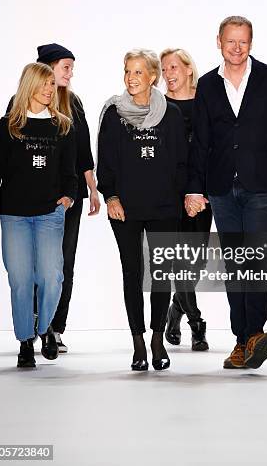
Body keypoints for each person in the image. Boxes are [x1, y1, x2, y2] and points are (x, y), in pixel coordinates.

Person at [186, 15, 267, 370]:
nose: (237, 48)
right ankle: (243, 339)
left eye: (243, 42)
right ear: (218, 40)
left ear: (252, 42)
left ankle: (253, 333)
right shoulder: (206, 84)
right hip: (221, 189)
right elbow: (200, 142)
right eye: (231, 41)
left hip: (263, 187)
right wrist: (195, 189)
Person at [97, 49, 187, 371]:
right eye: (127, 72)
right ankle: (138, 343)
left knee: (161, 274)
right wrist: (111, 197)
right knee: (132, 272)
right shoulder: (114, 114)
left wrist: (181, 197)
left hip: (164, 207)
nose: (131, 79)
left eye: (138, 73)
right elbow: (104, 161)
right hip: (126, 208)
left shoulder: (172, 115)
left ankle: (157, 339)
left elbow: (181, 163)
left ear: (152, 77)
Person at [7, 44, 101, 352]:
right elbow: (11, 153)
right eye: (65, 67)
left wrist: (92, 187)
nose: (70, 73)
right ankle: (32, 324)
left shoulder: (73, 103)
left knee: (63, 264)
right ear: (46, 69)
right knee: (31, 266)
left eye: (71, 68)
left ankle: (54, 328)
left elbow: (84, 148)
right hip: (28, 200)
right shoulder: (18, 104)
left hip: (67, 196)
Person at [0, 63, 77, 368]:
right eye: (45, 84)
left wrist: (68, 196)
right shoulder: (8, 125)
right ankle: (26, 340)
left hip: (50, 213)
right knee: (21, 280)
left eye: (53, 84)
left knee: (52, 277)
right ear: (29, 85)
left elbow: (69, 171)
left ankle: (46, 326)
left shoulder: (62, 126)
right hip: (15, 216)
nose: (51, 89)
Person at [161, 48, 213, 351]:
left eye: (173, 67)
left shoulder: (205, 100)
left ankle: (175, 311)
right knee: (178, 263)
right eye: (164, 69)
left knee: (195, 263)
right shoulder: (159, 105)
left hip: (202, 194)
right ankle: (196, 322)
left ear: (188, 69)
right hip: (168, 195)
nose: (168, 73)